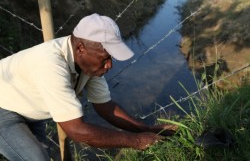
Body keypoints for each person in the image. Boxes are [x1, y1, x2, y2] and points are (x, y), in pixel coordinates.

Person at [0, 13, 177, 161]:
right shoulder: (50, 65)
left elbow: (105, 107)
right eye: (105, 58)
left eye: (111, 59)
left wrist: (146, 129)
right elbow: (76, 130)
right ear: (80, 48)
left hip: (26, 107)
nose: (109, 66)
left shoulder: (88, 64)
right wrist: (137, 141)